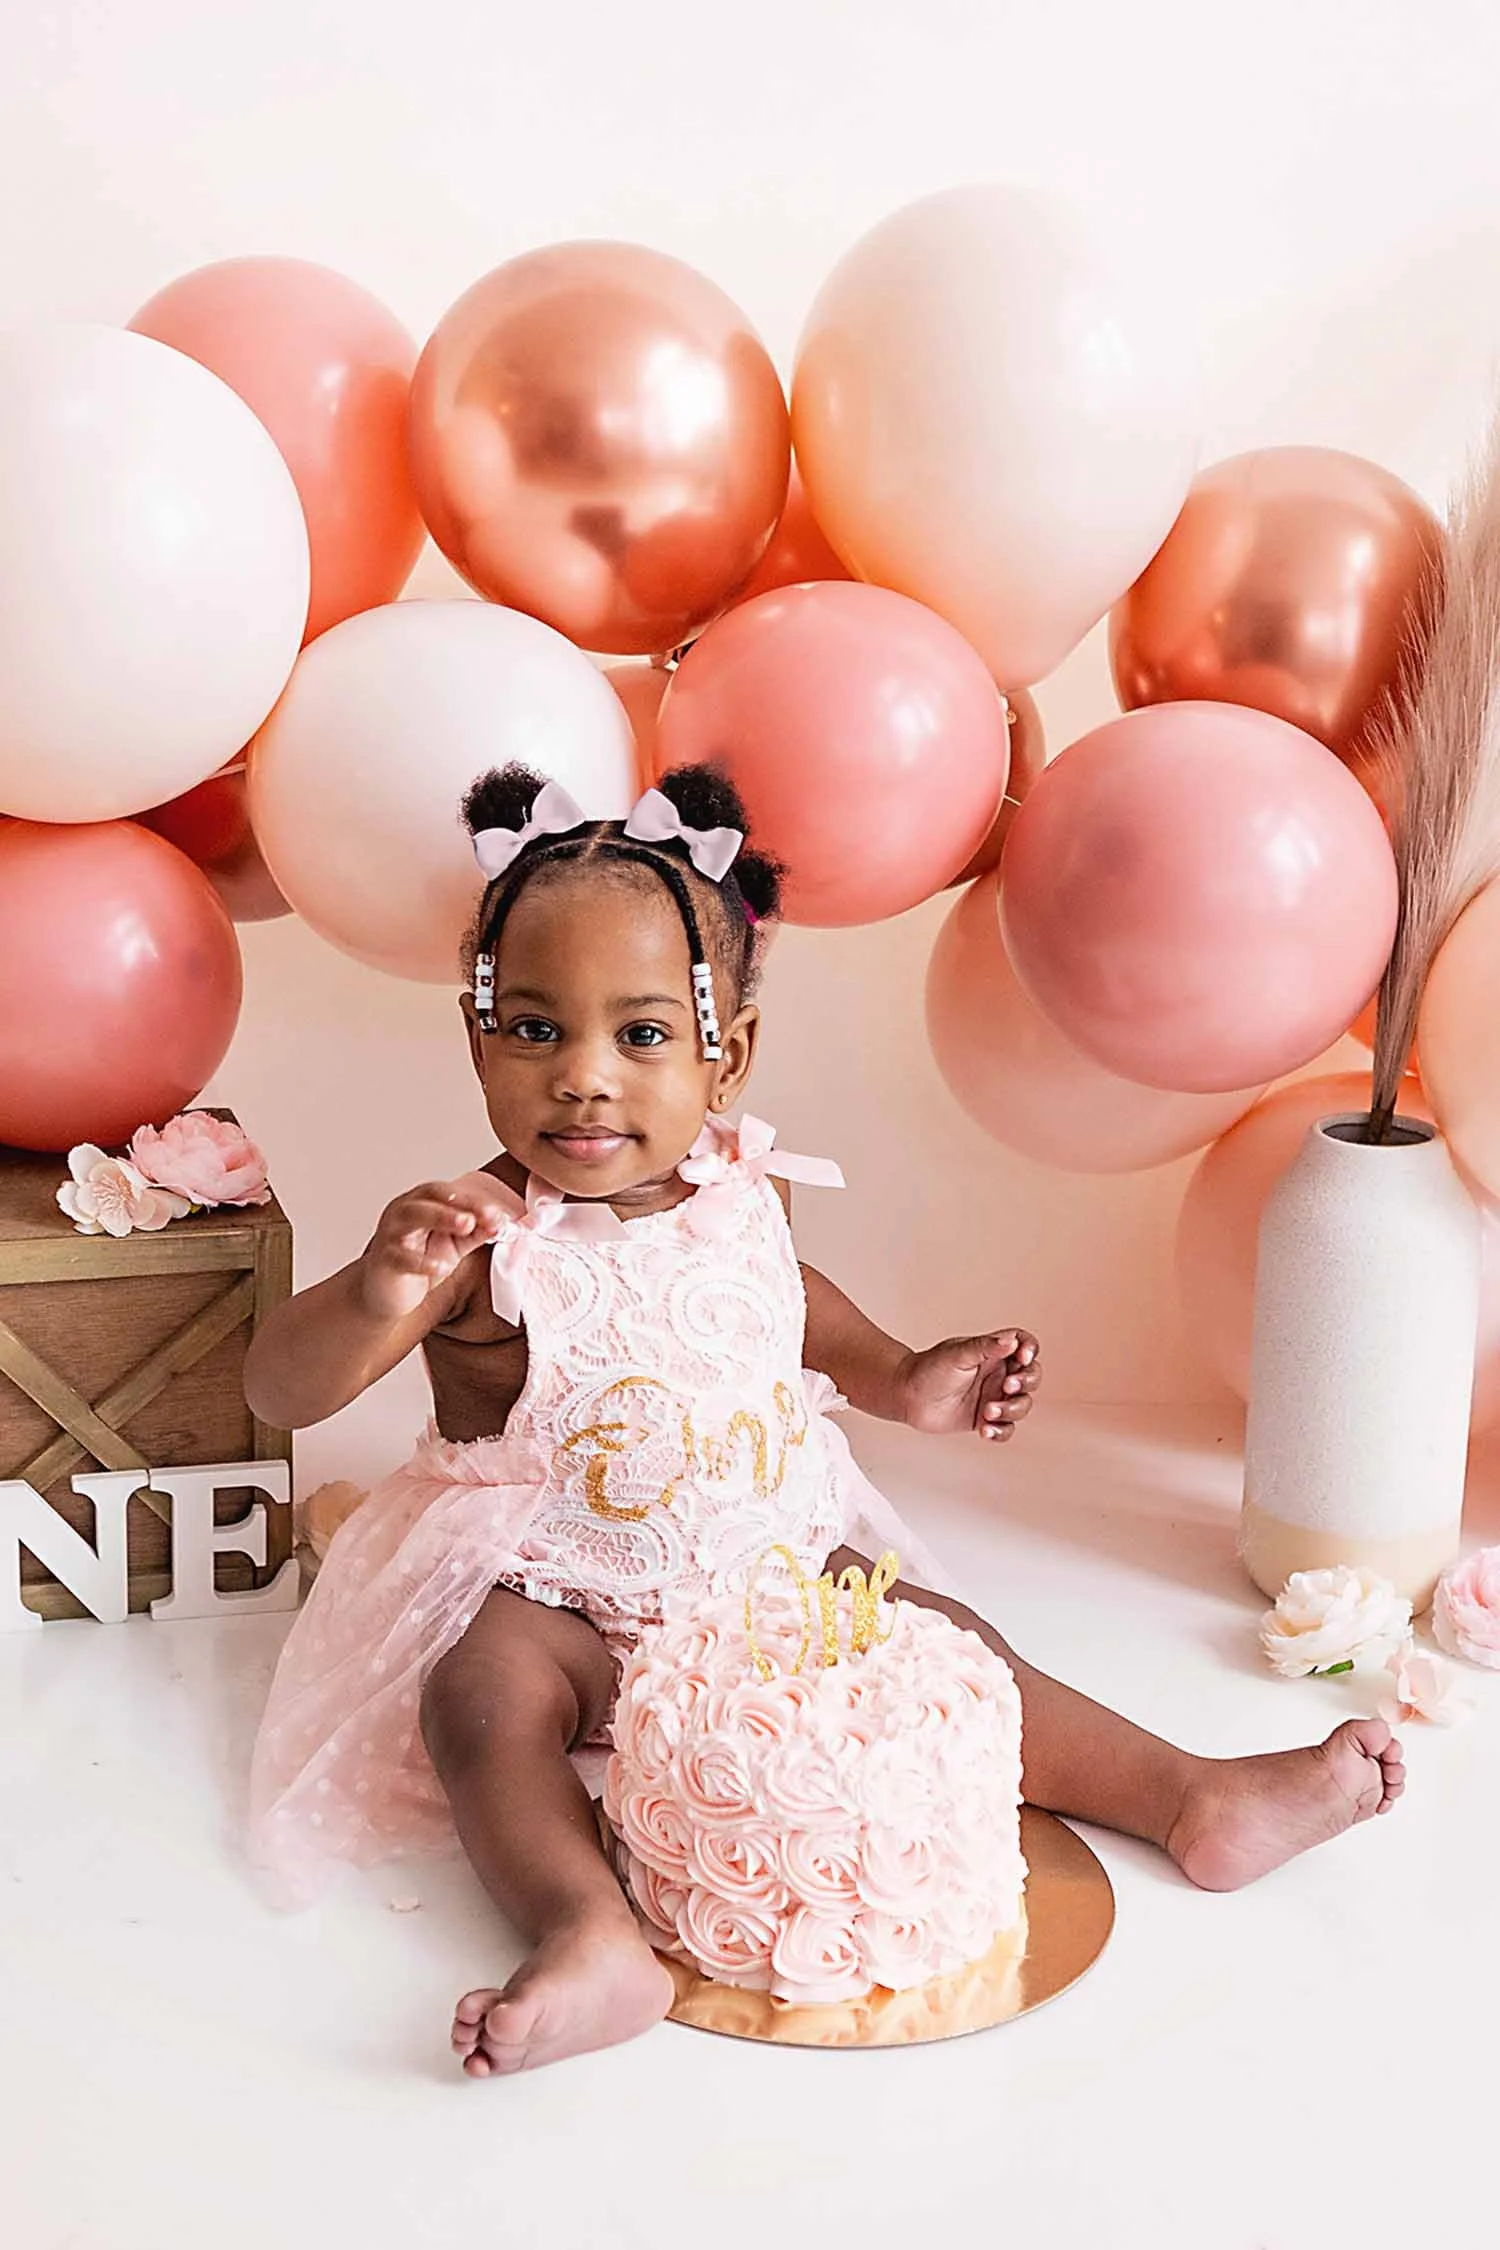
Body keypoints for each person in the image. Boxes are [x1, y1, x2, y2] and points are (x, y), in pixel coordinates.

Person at [246, 763, 1404, 2079]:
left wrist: (905, 1374)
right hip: (558, 1581)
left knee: (950, 1644)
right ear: (478, 1037)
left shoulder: (748, 1191)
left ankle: (1188, 1791)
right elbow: (281, 1390)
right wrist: (373, 1288)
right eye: (531, 1029)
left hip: (772, 1567)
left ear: (722, 1055)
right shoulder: (480, 1239)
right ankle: (589, 1930)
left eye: (637, 1035)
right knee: (480, 1696)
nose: (580, 1079)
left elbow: (790, 1309)